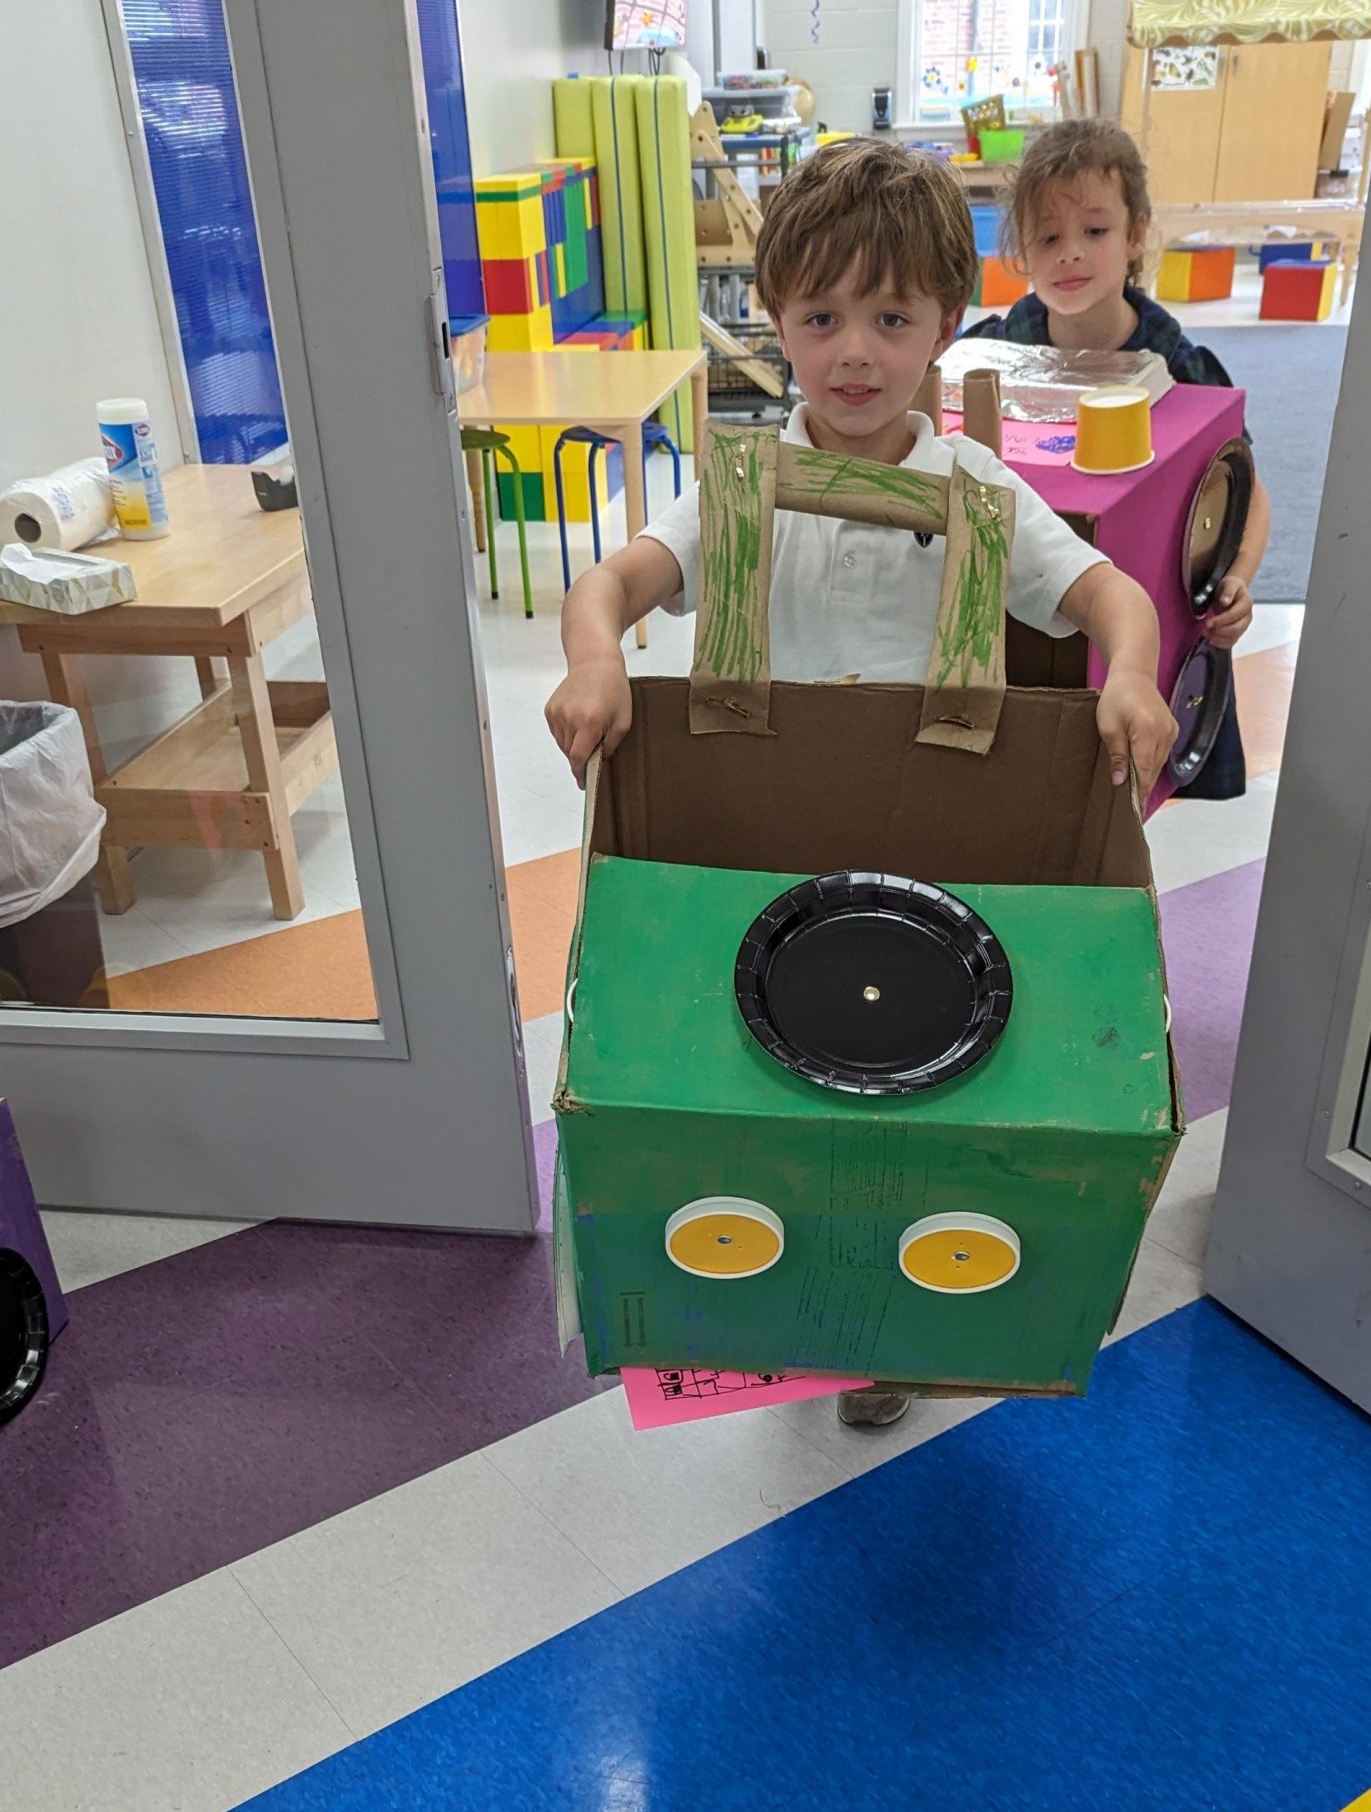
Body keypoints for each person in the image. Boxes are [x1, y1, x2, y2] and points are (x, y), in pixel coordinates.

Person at [545, 139, 1178, 1430]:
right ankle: (777, 1291)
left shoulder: (975, 486)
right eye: (821, 317)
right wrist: (596, 659)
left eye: (892, 319)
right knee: (764, 1066)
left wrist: (1133, 674)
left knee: (907, 1078)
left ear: (948, 324)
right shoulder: (734, 486)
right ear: (773, 320)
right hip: (766, 838)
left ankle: (884, 1321)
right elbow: (611, 581)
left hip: (928, 844)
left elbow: (1109, 594)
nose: (853, 353)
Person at [962, 117, 1274, 798]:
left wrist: (1233, 582)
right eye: (1048, 237)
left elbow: (1245, 491)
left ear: (1135, 235)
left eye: (1094, 231)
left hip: (1149, 626)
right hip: (1028, 615)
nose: (1070, 254)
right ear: (1022, 249)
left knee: (1134, 782)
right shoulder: (989, 353)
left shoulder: (1181, 364)